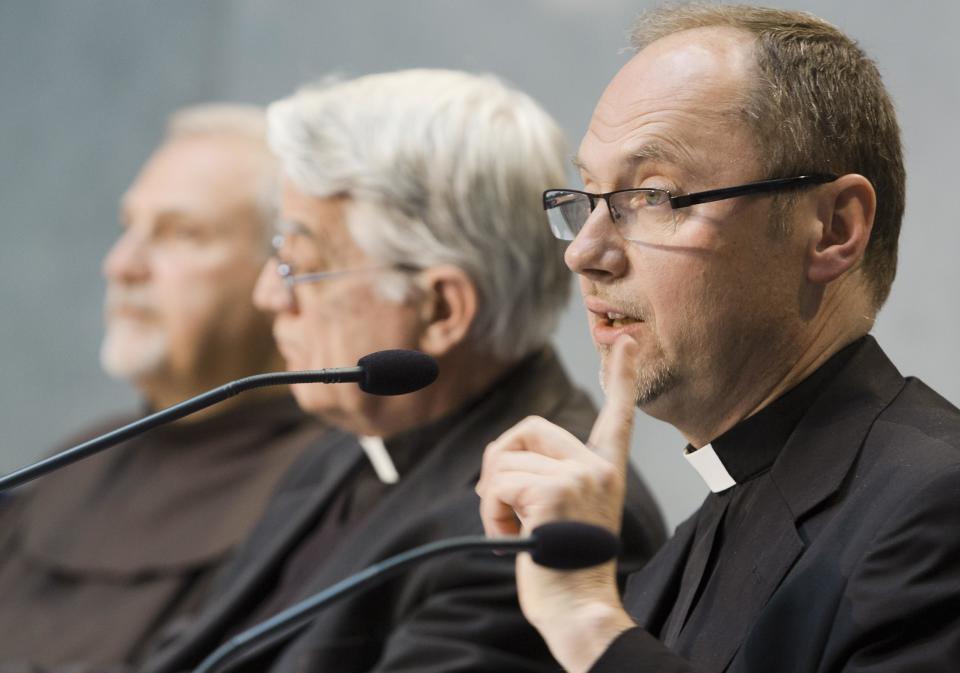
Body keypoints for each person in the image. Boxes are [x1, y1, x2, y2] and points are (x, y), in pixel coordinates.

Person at [476, 5, 960, 673]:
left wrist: (588, 622)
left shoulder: (936, 508)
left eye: (652, 194)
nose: (585, 252)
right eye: (587, 195)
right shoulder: (673, 560)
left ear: (833, 228)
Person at [138, 70, 667, 673]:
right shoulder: (343, 449)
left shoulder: (534, 522)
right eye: (276, 254)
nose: (267, 296)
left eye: (298, 263)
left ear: (440, 308)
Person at [0, 106, 325, 671]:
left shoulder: (327, 482)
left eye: (183, 234)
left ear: (282, 269)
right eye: (129, 227)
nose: (122, 265)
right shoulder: (73, 462)